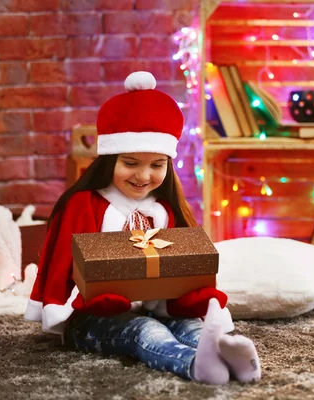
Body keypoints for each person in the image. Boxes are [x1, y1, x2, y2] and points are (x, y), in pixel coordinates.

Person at [24, 71, 261, 385]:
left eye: (156, 165)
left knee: (192, 327)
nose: (143, 176)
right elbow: (61, 268)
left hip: (153, 308)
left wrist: (192, 298)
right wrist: (72, 302)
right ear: (110, 160)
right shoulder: (84, 204)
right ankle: (195, 365)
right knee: (146, 332)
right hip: (90, 318)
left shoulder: (163, 210)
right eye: (131, 163)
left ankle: (226, 354)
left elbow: (180, 271)